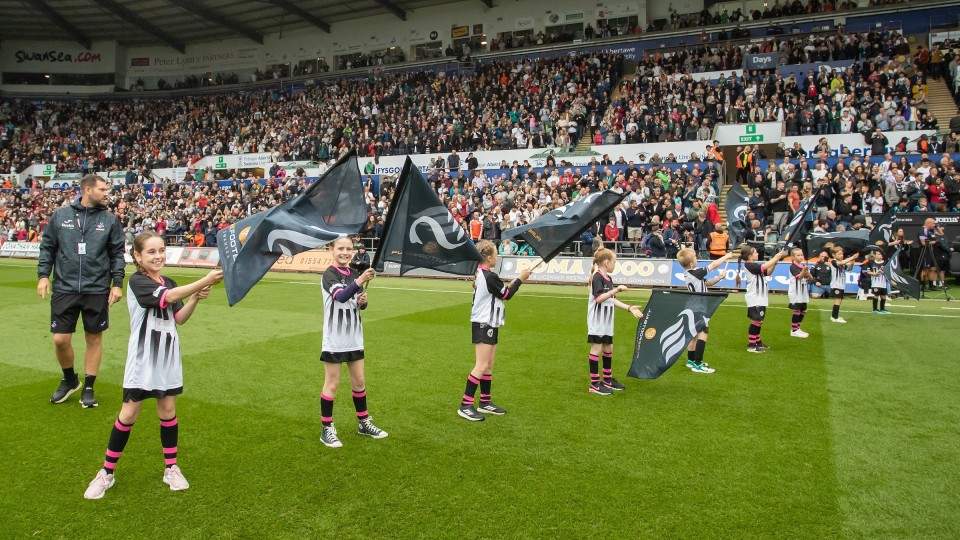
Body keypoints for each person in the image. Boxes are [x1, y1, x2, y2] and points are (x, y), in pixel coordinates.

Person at [82, 231, 223, 499]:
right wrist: (203, 279)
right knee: (129, 415)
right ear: (137, 256)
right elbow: (166, 298)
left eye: (161, 250)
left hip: (168, 357)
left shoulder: (168, 281)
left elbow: (178, 317)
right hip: (143, 359)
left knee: (168, 411)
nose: (158, 256)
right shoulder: (137, 281)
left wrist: (194, 298)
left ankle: (171, 468)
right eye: (151, 252)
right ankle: (106, 473)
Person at [37, 174, 125, 408]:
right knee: (60, 339)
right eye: (103, 189)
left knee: (94, 338)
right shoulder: (61, 215)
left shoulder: (110, 220)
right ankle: (69, 380)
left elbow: (117, 254)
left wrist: (117, 283)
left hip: (96, 288)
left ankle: (88, 387)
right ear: (87, 189)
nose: (107, 193)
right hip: (64, 287)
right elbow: (47, 248)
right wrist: (43, 276)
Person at [319, 237, 387, 448]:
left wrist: (362, 302)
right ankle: (326, 429)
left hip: (354, 337)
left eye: (349, 249)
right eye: (341, 248)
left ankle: (363, 422)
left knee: (359, 382)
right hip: (335, 339)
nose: (345, 252)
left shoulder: (355, 274)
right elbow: (340, 297)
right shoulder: (329, 274)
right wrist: (359, 282)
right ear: (331, 250)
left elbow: (356, 303)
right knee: (333, 384)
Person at [458, 240, 533, 421]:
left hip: (491, 323)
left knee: (489, 366)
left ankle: (485, 402)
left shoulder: (485, 274)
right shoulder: (488, 276)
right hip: (484, 323)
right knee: (482, 365)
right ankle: (466, 404)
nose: (497, 257)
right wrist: (521, 279)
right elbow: (506, 294)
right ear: (489, 257)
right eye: (496, 254)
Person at [586, 248, 643, 395]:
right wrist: (615, 290)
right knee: (596, 349)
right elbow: (599, 299)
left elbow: (611, 300)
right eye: (614, 262)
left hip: (607, 321)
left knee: (608, 348)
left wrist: (629, 308)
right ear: (606, 263)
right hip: (597, 321)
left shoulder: (609, 279)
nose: (615, 265)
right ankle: (594, 383)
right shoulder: (597, 277)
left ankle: (607, 379)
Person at [678, 248, 734, 373]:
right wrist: (726, 256)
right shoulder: (696, 272)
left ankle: (691, 360)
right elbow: (713, 265)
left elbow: (707, 283)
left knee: (694, 336)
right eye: (695, 258)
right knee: (703, 334)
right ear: (691, 264)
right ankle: (698, 363)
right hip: (699, 308)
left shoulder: (689, 274)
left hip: (693, 308)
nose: (697, 259)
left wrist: (719, 278)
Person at [739, 245, 788, 353]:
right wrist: (775, 257)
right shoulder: (749, 265)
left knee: (759, 321)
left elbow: (767, 272)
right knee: (756, 320)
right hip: (755, 297)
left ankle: (757, 341)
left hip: (760, 297)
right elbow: (763, 268)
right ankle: (751, 344)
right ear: (750, 257)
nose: (757, 254)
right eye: (755, 252)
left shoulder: (754, 265)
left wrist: (775, 262)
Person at [828, 246, 858, 323]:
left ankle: (835, 316)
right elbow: (841, 263)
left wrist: (852, 263)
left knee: (840, 300)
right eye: (839, 254)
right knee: (838, 300)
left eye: (842, 254)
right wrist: (852, 257)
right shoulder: (834, 262)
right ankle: (834, 317)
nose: (841, 255)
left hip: (841, 285)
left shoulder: (842, 263)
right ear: (834, 255)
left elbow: (849, 269)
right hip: (836, 284)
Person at [787, 247, 813, 338]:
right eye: (798, 255)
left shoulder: (803, 266)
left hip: (803, 292)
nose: (801, 257)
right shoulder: (793, 267)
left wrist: (808, 272)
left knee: (803, 311)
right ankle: (794, 330)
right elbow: (799, 277)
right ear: (793, 257)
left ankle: (798, 327)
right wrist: (804, 271)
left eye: (801, 255)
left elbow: (810, 279)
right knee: (797, 310)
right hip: (796, 292)